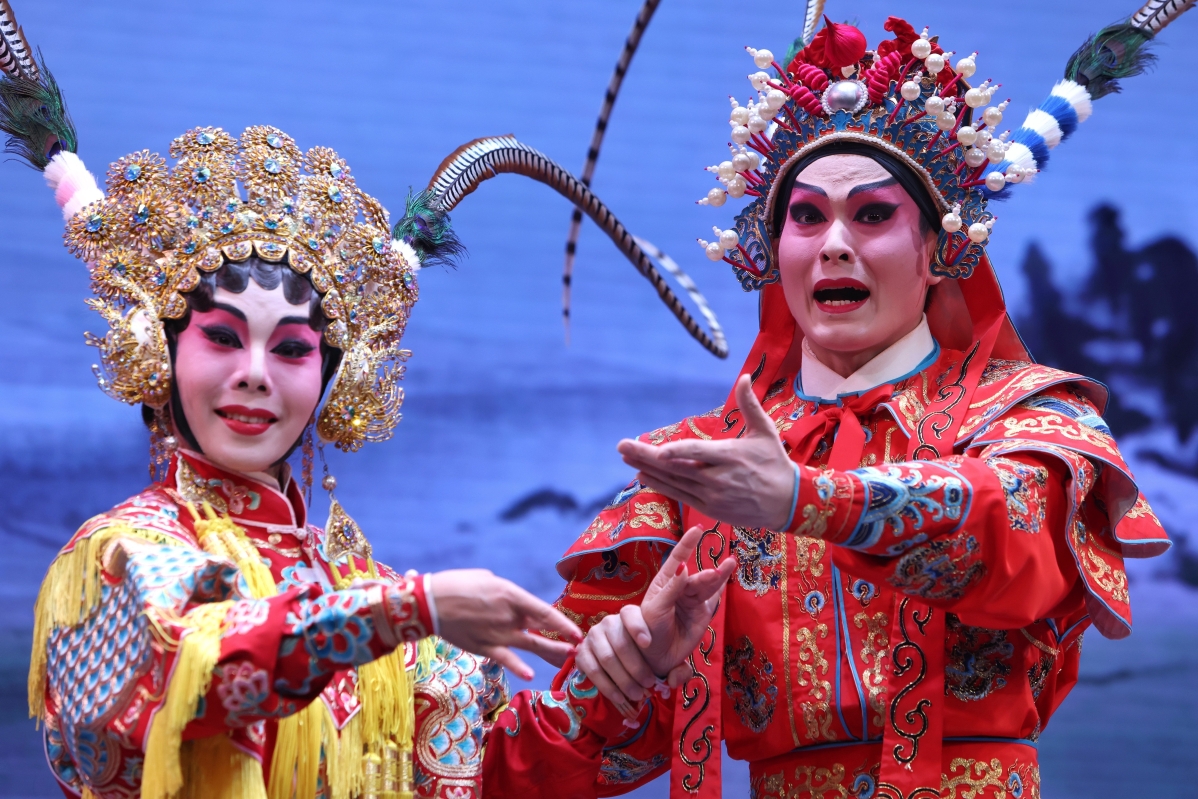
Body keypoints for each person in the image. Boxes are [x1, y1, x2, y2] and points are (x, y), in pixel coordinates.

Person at [480, 8, 1183, 798]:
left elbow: (1004, 529)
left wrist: (805, 499)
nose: (835, 244)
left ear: (937, 250)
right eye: (807, 216)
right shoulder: (699, 471)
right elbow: (547, 758)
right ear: (774, 250)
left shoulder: (1022, 417)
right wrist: (622, 669)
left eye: (873, 214)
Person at [0, 19, 591, 799]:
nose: (254, 375)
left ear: (331, 379)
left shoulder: (369, 592)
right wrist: (407, 609)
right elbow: (199, 665)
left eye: (290, 349)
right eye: (221, 337)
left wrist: (633, 671)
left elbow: (502, 773)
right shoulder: (121, 557)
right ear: (163, 351)